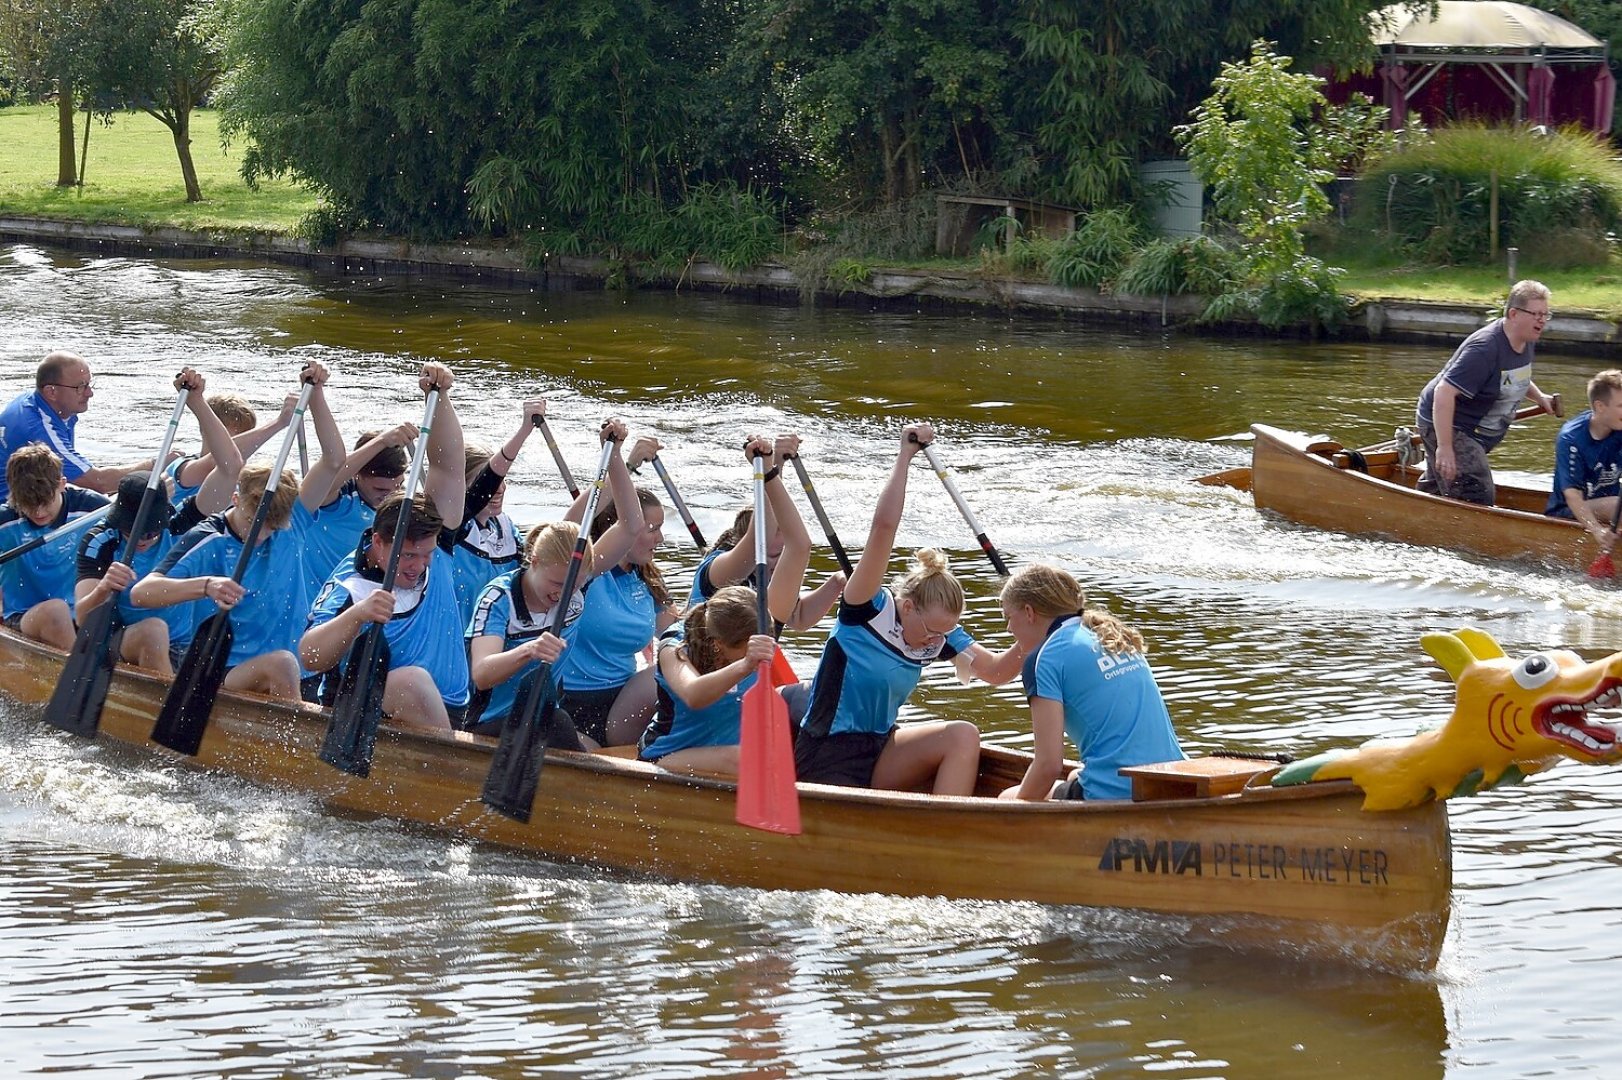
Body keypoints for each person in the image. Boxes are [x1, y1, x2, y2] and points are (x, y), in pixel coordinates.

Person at [793, 423, 1023, 796]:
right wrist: (906, 455)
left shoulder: (940, 633)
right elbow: (884, 528)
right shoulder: (866, 607)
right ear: (908, 606)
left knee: (964, 735)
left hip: (882, 747)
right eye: (930, 631)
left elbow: (997, 673)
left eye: (942, 634)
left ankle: (948, 832)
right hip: (826, 752)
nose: (934, 641)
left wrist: (1034, 634)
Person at [130, 363, 347, 701]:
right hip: (225, 672)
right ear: (236, 499)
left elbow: (334, 460)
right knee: (283, 663)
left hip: (295, 671)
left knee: (289, 663)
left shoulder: (296, 518)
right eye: (253, 523)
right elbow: (142, 593)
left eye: (273, 527)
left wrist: (317, 395)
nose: (261, 535)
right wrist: (206, 585)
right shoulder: (209, 537)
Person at [299, 364, 470, 731]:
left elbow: (449, 466)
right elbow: (310, 655)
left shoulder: (436, 546)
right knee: (412, 681)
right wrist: (357, 615)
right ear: (378, 541)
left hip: (451, 707)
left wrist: (439, 398)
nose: (419, 566)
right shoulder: (352, 582)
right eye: (408, 555)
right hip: (370, 711)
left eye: (425, 555)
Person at [639, 435, 814, 776]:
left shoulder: (756, 618)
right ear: (720, 645)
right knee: (748, 757)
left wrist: (771, 472)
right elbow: (692, 694)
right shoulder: (677, 645)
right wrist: (746, 665)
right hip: (670, 758)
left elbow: (800, 545)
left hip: (727, 755)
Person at [465, 419, 638, 743]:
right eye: (556, 584)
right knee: (558, 722)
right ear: (534, 562)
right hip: (488, 725)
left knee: (558, 723)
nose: (562, 595)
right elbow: (483, 673)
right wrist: (529, 650)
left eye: (571, 586)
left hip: (540, 716)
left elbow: (630, 527)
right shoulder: (499, 598)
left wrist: (615, 456)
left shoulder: (575, 587)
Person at [75, 368, 245, 675]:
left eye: (151, 531)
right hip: (122, 641)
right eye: (132, 530)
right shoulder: (101, 540)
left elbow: (230, 465)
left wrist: (197, 401)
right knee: (154, 628)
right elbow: (82, 617)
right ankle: (167, 710)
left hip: (184, 645)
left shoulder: (179, 525)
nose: (142, 538)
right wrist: (103, 589)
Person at [997, 564, 1184, 802]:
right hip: (1173, 779)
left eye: (1009, 617)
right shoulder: (1112, 634)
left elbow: (1048, 766)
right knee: (1076, 774)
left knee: (1006, 797)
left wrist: (1013, 810)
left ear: (1029, 612)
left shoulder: (1043, 658)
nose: (1009, 627)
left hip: (1117, 791)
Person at [549, 435, 679, 746]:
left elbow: (676, 633)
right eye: (652, 529)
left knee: (675, 661)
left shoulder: (647, 581)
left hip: (624, 704)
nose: (660, 539)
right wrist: (625, 463)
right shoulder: (587, 573)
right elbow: (569, 523)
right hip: (574, 705)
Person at [669, 432, 844, 633]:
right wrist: (769, 468)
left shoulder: (766, 574)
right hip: (696, 659)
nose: (780, 564)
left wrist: (838, 581)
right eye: (774, 555)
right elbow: (760, 538)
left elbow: (798, 616)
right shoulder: (719, 570)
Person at [1416, 280, 1559, 505]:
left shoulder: (1526, 339)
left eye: (1545, 314)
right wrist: (1444, 447)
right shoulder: (1484, 349)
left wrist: (1540, 397)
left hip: (1475, 429)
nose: (1542, 320)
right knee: (1476, 490)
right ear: (1514, 314)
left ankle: (1417, 508)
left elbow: (1514, 376)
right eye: (1536, 314)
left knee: (1443, 481)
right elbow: (1444, 392)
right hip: (1450, 423)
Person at [445, 397, 551, 623]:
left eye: (503, 480)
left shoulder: (506, 528)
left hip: (494, 642)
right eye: (493, 482)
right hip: (456, 643)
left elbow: (543, 565)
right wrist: (524, 430)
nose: (500, 488)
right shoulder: (452, 528)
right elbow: (482, 489)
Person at [0, 351, 155, 500]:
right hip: (16, 512)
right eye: (80, 387)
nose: (89, 393)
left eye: (89, 384)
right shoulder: (40, 430)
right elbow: (99, 482)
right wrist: (156, 464)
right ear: (51, 392)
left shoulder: (47, 404)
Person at [0, 444, 110, 648]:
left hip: (81, 614)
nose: (39, 512)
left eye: (45, 501)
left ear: (62, 484)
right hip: (24, 617)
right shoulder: (5, 520)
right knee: (55, 611)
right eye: (29, 504)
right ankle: (78, 675)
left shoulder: (94, 509)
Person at [1545, 369, 1622, 547]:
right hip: (1570, 511)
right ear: (1600, 406)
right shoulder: (1571, 439)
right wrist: (1596, 530)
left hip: (1609, 507)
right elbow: (1573, 496)